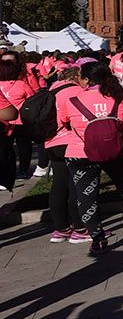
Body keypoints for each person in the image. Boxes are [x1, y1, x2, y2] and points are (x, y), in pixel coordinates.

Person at [56, 62, 123, 254]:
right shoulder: (122, 98)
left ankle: (97, 238)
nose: (78, 79)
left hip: (80, 153)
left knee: (86, 197)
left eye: (80, 76)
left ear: (88, 80)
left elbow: (64, 122)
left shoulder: (72, 100)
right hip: (119, 151)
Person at [40, 63, 87, 242]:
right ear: (77, 77)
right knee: (77, 183)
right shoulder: (75, 92)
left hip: (52, 141)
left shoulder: (53, 88)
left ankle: (61, 228)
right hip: (71, 141)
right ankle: (80, 228)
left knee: (59, 184)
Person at [0, 55, 36, 196]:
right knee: (23, 147)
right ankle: (23, 170)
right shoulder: (21, 84)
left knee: (6, 150)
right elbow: (32, 99)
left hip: (6, 125)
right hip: (19, 121)